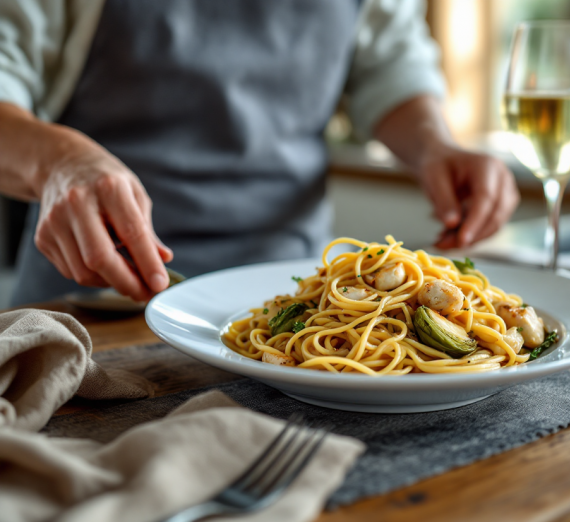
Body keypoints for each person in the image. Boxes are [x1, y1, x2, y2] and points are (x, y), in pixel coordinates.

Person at [0, 0, 518, 306]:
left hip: (296, 294)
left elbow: (390, 66)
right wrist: (58, 162)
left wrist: (435, 145)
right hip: (92, 298)